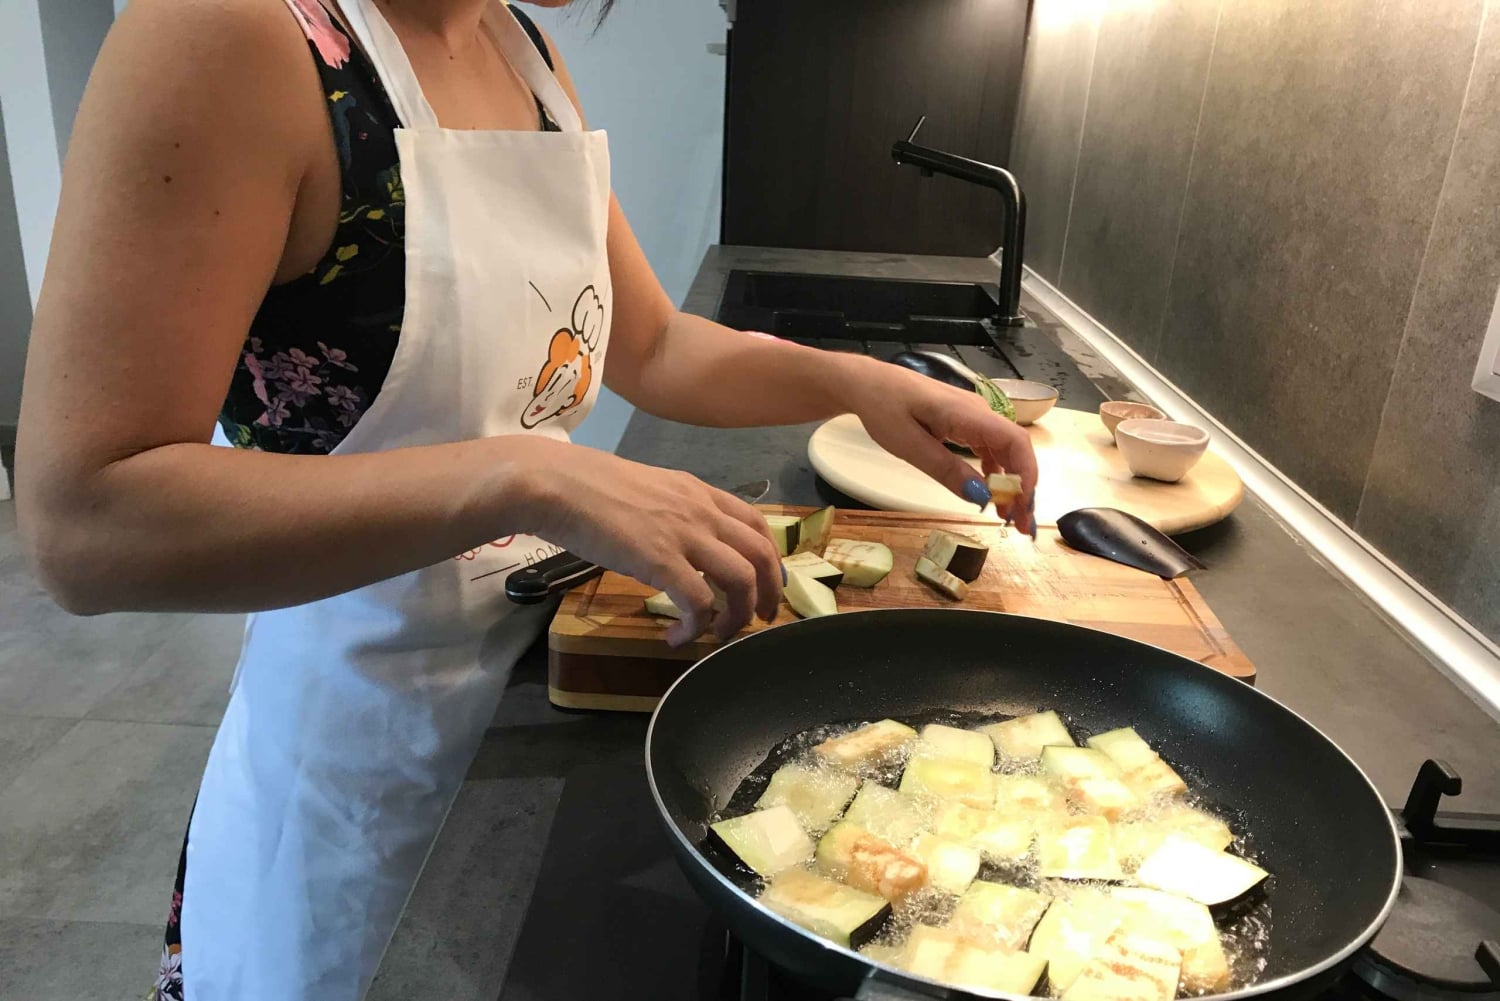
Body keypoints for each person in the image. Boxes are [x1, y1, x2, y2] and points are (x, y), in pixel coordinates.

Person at [14, 0, 1039, 997]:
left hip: (522, 706)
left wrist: (856, 384)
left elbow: (651, 343)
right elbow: (87, 518)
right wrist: (527, 472)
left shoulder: (522, 47)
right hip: (353, 771)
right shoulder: (228, 32)